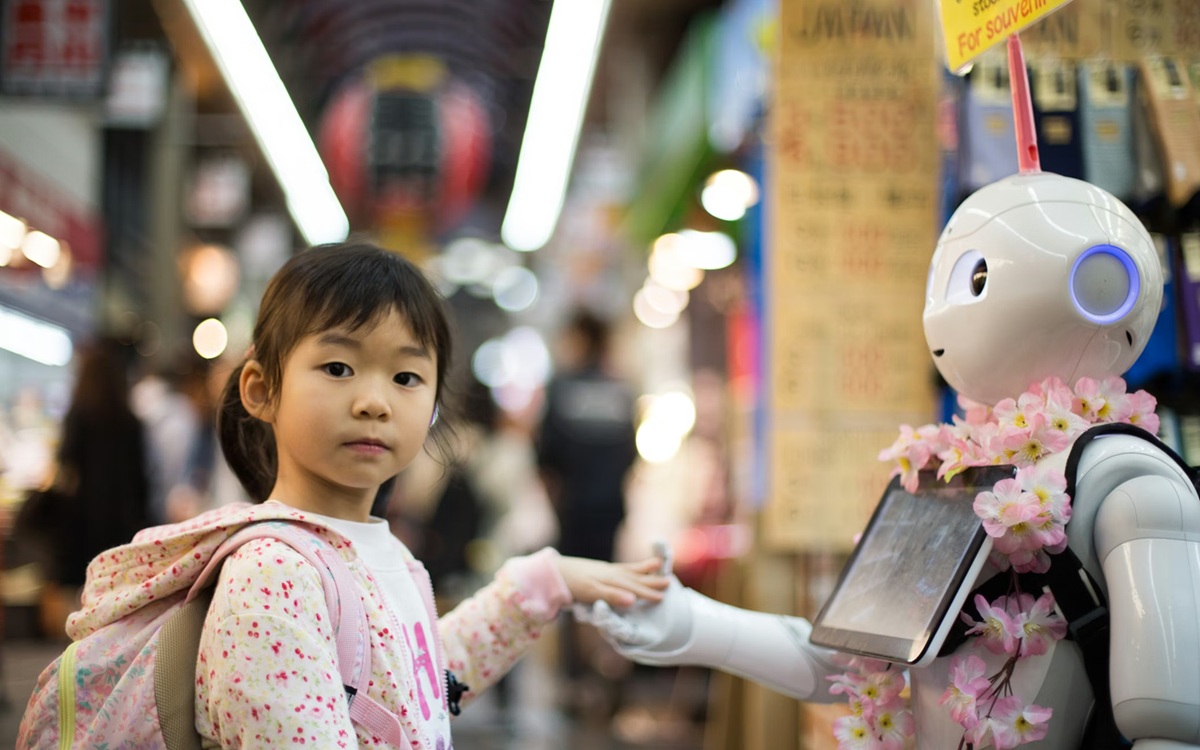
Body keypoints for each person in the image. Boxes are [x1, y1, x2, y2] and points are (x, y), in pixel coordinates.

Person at [62, 242, 668, 748]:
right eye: (338, 368)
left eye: (406, 376)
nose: (374, 400)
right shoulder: (273, 575)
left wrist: (545, 584)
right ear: (260, 389)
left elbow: (413, 689)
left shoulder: (374, 553)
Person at [536, 309, 638, 713]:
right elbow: (631, 456)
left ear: (580, 338)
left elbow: (544, 457)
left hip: (573, 510)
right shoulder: (621, 391)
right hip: (610, 509)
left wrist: (556, 501)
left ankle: (576, 682)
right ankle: (609, 671)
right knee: (608, 590)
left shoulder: (561, 388)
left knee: (572, 593)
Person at [41, 338, 149, 634]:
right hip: (121, 518)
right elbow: (141, 478)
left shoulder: (79, 415)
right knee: (113, 584)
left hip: (82, 517)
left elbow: (66, 465)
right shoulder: (131, 421)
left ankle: (78, 643)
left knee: (80, 584)